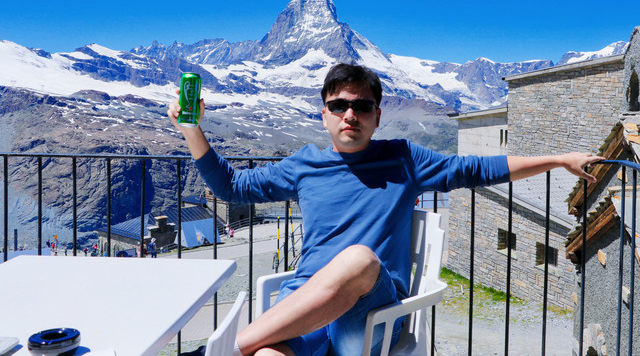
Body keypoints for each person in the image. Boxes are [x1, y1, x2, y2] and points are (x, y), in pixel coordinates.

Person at [168, 63, 603, 356]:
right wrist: (191, 128)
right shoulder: (304, 165)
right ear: (324, 115)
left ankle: (217, 351)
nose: (350, 114)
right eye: (339, 105)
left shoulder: (403, 159)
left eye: (361, 106)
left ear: (377, 116)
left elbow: (476, 168)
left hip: (371, 315)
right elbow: (231, 187)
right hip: (303, 304)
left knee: (358, 259)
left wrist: (558, 159)